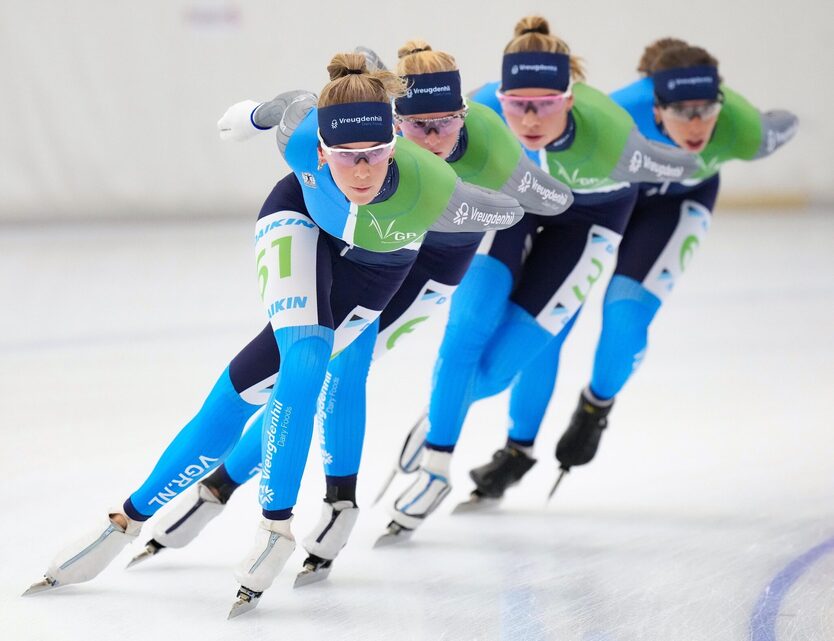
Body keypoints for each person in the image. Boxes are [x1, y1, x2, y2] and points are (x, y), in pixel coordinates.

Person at [25, 52, 525, 617]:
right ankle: (140, 521)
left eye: (377, 156)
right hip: (300, 221)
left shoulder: (438, 190)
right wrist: (251, 115)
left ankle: (304, 508)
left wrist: (509, 161)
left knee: (334, 371)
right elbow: (284, 107)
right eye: (346, 158)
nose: (362, 172)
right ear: (318, 150)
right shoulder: (302, 133)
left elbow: (513, 208)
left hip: (383, 265)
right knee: (304, 363)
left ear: (395, 145)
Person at [123, 40, 574, 586]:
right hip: (368, 253)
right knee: (316, 367)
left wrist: (536, 164)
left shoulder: (489, 150)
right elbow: (304, 107)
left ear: (464, 115)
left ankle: (286, 494)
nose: (430, 139)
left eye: (446, 125)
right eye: (415, 126)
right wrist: (254, 116)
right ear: (393, 119)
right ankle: (233, 487)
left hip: (430, 264)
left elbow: (553, 201)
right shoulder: (368, 145)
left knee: (341, 373)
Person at [379, 16, 701, 540]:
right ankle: (437, 465)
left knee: (507, 365)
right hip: (512, 206)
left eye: (545, 103)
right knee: (466, 328)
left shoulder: (613, 134)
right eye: (516, 102)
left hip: (589, 223)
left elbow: (687, 165)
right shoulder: (478, 106)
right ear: (497, 96)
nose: (528, 118)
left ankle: (458, 419)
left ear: (570, 99)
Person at [468, 37, 800, 500]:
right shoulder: (622, 112)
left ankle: (595, 406)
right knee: (550, 326)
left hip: (676, 206)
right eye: (680, 111)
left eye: (707, 109)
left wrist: (775, 121)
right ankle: (518, 448)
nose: (697, 123)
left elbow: (783, 124)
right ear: (654, 103)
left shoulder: (743, 129)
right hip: (609, 205)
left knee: (625, 319)